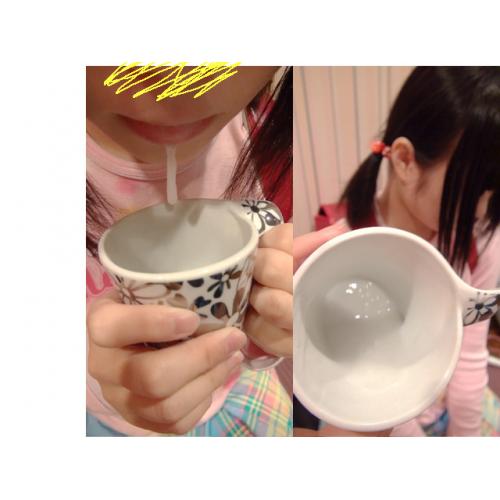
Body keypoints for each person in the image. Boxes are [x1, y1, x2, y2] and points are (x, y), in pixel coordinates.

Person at [86, 65, 293, 436]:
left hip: (239, 389)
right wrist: (104, 383)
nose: (180, 80)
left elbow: (264, 343)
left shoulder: (271, 143)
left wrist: (273, 329)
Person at [294, 67, 500, 437]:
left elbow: (471, 362)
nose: (484, 209)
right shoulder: (339, 246)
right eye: (477, 186)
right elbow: (353, 388)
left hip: (447, 407)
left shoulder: (480, 239)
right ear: (404, 160)